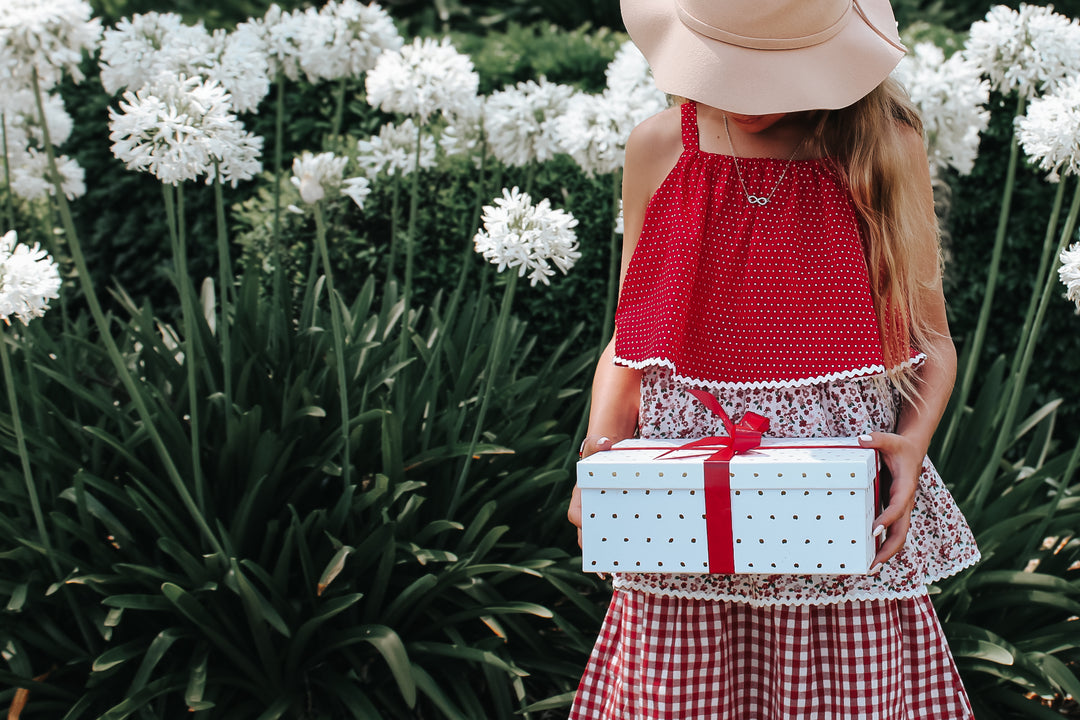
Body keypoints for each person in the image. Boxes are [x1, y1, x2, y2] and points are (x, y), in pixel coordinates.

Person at [566, 0, 981, 717]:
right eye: (728, 72)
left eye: (772, 76)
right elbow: (630, 337)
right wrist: (600, 454)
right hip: (684, 486)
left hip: (839, 496)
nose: (746, 98)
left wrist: (911, 447)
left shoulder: (880, 148)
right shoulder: (660, 146)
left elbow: (930, 341)